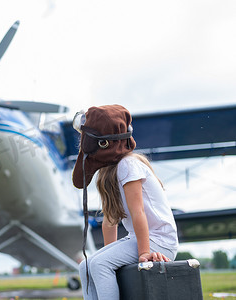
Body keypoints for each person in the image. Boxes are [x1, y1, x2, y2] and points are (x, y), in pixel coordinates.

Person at [71, 104, 178, 299]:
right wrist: (109, 256)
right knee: (86, 265)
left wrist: (145, 253)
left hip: (159, 241)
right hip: (138, 239)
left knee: (99, 264)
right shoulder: (109, 171)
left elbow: (139, 212)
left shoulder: (129, 165)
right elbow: (110, 219)